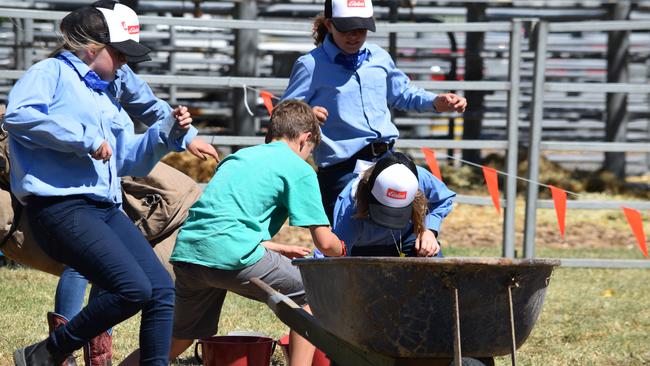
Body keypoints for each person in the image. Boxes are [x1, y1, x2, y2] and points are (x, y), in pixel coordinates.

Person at [4, 1, 190, 364]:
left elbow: (124, 158)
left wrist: (168, 133)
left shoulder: (104, 94)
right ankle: (48, 352)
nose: (124, 64)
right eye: (119, 54)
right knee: (132, 289)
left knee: (161, 289)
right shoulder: (50, 73)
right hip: (61, 206)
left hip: (104, 206)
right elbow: (19, 117)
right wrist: (83, 138)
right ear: (92, 49)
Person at [119, 99, 345, 366]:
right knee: (313, 295)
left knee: (179, 338)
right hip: (232, 256)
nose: (308, 157)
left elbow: (220, 220)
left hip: (190, 253)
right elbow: (324, 241)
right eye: (310, 151)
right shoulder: (299, 169)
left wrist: (271, 248)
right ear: (304, 139)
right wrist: (343, 249)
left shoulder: (239, 157)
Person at [282, 0, 467, 222]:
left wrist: (436, 101)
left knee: (398, 229)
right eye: (346, 29)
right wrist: (308, 114)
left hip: (386, 160)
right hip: (341, 169)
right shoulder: (310, 65)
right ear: (330, 25)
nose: (354, 36)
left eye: (361, 29)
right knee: (342, 243)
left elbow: (402, 93)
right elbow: (285, 114)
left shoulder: (379, 57)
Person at [332, 152, 456, 257]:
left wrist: (429, 230)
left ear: (415, 194)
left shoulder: (419, 178)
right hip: (362, 249)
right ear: (370, 193)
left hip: (407, 238)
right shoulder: (349, 207)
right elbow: (335, 253)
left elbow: (444, 199)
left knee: (431, 256)